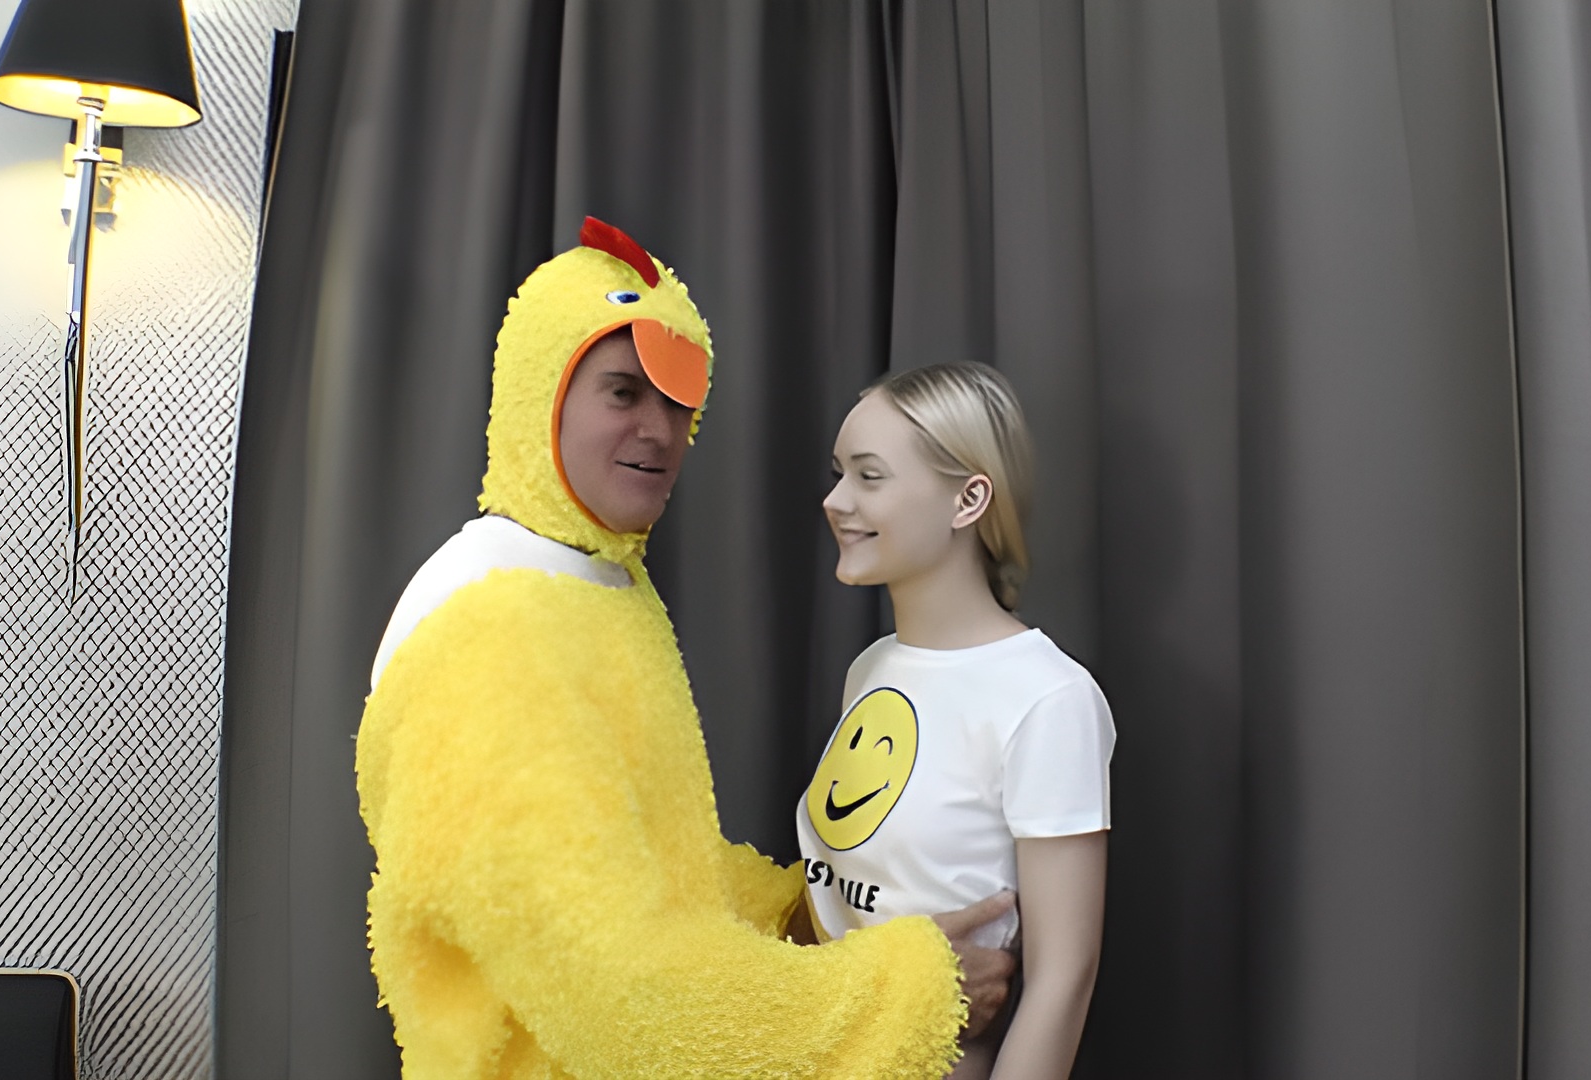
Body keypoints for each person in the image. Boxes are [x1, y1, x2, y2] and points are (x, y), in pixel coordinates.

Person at [356, 218, 1017, 1078]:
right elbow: (620, 998)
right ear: (538, 394)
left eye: (676, 402)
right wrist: (914, 991)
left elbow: (665, 876)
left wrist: (811, 913)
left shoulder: (600, 582)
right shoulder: (495, 628)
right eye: (623, 392)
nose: (661, 432)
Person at [793, 362, 1114, 1079]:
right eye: (840, 474)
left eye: (870, 476)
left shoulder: (1048, 699)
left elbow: (1064, 979)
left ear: (968, 499)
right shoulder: (872, 669)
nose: (836, 501)